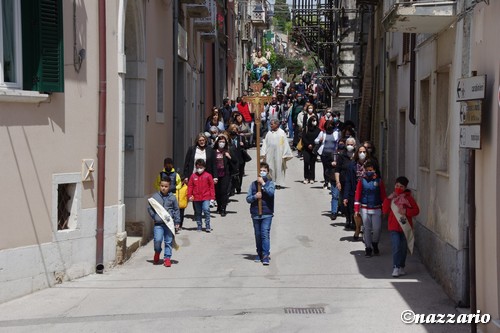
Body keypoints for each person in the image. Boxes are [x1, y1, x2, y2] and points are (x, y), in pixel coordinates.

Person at [383, 176, 420, 277]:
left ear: (405, 187)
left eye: (401, 186)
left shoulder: (409, 199)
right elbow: (385, 210)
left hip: (405, 227)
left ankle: (401, 267)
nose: (398, 188)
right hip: (394, 227)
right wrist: (388, 199)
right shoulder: (391, 198)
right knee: (396, 246)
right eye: (397, 185)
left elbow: (416, 211)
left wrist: (406, 211)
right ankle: (395, 267)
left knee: (403, 248)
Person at [354, 161, 386, 257]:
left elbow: (383, 196)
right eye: (367, 170)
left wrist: (384, 209)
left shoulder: (379, 181)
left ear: (374, 170)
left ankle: (375, 243)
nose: (368, 172)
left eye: (370, 170)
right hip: (364, 208)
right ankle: (368, 248)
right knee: (367, 229)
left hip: (376, 208)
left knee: (377, 229)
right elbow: (357, 195)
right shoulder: (361, 181)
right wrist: (356, 209)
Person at [246, 162, 276, 265]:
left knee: (264, 234)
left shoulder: (270, 183)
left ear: (267, 172)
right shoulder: (253, 184)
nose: (262, 172)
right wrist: (255, 197)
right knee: (258, 235)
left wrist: (263, 184)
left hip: (267, 213)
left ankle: (265, 254)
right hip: (255, 213)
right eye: (261, 170)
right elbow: (248, 199)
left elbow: (271, 193)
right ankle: (259, 253)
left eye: (264, 171)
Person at [147, 177, 180, 267]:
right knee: (157, 240)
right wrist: (154, 216)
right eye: (162, 186)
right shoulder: (155, 197)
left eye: (166, 186)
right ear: (159, 186)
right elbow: (150, 208)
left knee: (168, 241)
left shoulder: (172, 198)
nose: (163, 188)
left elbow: (176, 210)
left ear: (169, 186)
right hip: (158, 224)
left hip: (169, 224)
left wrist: (177, 221)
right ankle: (157, 252)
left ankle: (167, 258)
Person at [344, 145, 369, 240]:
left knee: (366, 213)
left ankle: (365, 230)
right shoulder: (352, 165)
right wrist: (346, 196)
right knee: (356, 213)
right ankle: (358, 228)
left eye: (364, 152)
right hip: (355, 192)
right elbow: (348, 181)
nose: (362, 154)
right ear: (357, 153)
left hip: (368, 192)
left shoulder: (371, 164)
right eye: (360, 152)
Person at [261, 119, 294, 189]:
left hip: (279, 154)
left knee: (278, 168)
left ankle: (278, 183)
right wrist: (263, 153)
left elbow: (285, 143)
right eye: (270, 124)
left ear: (277, 124)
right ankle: (271, 182)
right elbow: (265, 143)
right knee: (270, 168)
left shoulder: (282, 133)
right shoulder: (268, 133)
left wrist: (285, 154)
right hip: (270, 154)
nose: (271, 125)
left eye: (272, 124)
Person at [213, 134, 238, 216]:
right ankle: (219, 206)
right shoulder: (213, 151)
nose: (221, 143)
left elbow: (235, 161)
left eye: (223, 142)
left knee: (224, 191)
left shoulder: (228, 150)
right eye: (220, 141)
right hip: (216, 174)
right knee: (217, 192)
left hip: (225, 174)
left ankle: (223, 208)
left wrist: (229, 156)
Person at [187, 159, 215, 232]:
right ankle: (199, 225)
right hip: (196, 198)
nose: (199, 169)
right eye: (198, 168)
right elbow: (190, 186)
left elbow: (212, 187)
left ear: (204, 167)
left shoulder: (208, 176)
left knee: (206, 210)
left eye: (201, 167)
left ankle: (207, 225)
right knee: (198, 212)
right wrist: (189, 195)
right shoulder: (193, 176)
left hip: (206, 197)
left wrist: (212, 198)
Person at [335, 136, 356, 225]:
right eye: (348, 144)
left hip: (354, 183)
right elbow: (337, 170)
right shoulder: (341, 156)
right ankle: (348, 218)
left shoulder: (357, 155)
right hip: (344, 182)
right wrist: (338, 182)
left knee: (353, 202)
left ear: (354, 145)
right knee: (345, 201)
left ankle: (354, 220)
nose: (350, 146)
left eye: (351, 144)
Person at [301, 116, 320, 184]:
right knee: (306, 162)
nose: (314, 122)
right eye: (313, 120)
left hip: (314, 149)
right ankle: (306, 177)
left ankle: (312, 177)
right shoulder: (306, 129)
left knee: (312, 163)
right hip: (306, 148)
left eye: (315, 120)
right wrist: (308, 144)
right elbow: (303, 138)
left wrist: (313, 145)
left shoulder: (318, 130)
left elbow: (319, 138)